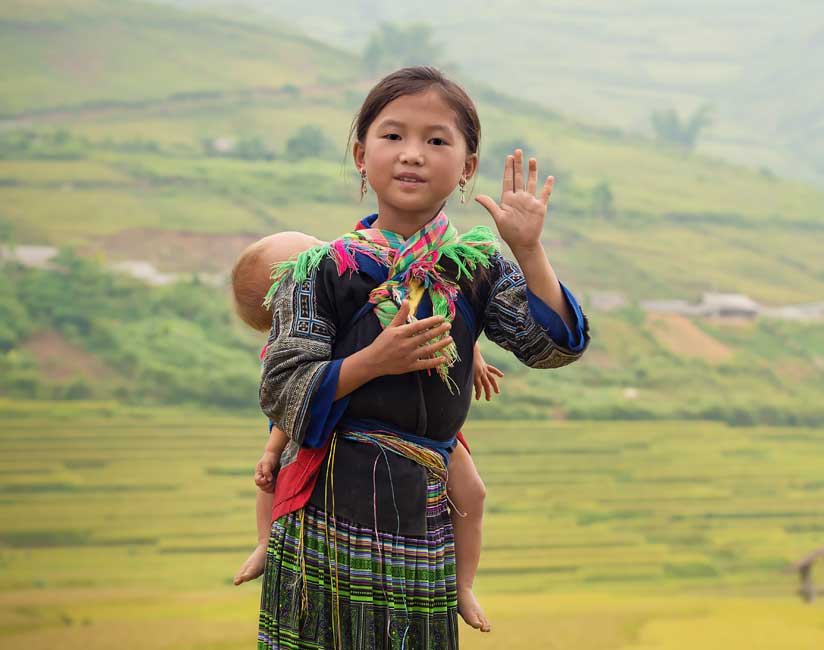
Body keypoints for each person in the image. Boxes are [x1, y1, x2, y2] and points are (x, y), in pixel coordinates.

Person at [257, 66, 588, 649]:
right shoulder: (320, 271)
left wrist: (529, 250)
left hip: (424, 509)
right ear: (362, 154)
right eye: (393, 136)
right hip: (330, 503)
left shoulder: (478, 267)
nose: (412, 154)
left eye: (436, 140)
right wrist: (372, 361)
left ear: (466, 168)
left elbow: (549, 348)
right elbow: (283, 388)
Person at [227, 231, 502, 632]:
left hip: (424, 431)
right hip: (339, 419)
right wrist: (271, 451)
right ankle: (264, 542)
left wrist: (473, 356)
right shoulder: (302, 330)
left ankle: (462, 585)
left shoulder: (371, 284)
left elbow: (441, 315)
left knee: (473, 492)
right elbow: (288, 403)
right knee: (276, 475)